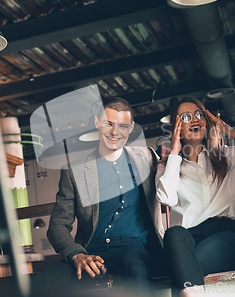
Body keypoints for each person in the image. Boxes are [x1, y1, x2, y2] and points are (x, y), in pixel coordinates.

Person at [155, 97, 235, 297]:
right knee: (174, 233)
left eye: (199, 115)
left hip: (227, 236)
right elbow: (166, 198)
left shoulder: (227, 156)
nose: (194, 120)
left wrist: (233, 132)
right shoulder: (167, 166)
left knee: (182, 273)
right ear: (176, 127)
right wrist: (175, 152)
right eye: (186, 117)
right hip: (188, 239)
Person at [41, 97, 164, 296]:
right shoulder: (74, 170)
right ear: (97, 123)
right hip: (89, 252)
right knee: (40, 285)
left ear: (131, 127)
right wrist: (76, 254)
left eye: (123, 126)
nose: (115, 133)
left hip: (133, 250)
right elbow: (57, 226)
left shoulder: (147, 158)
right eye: (109, 124)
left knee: (138, 270)